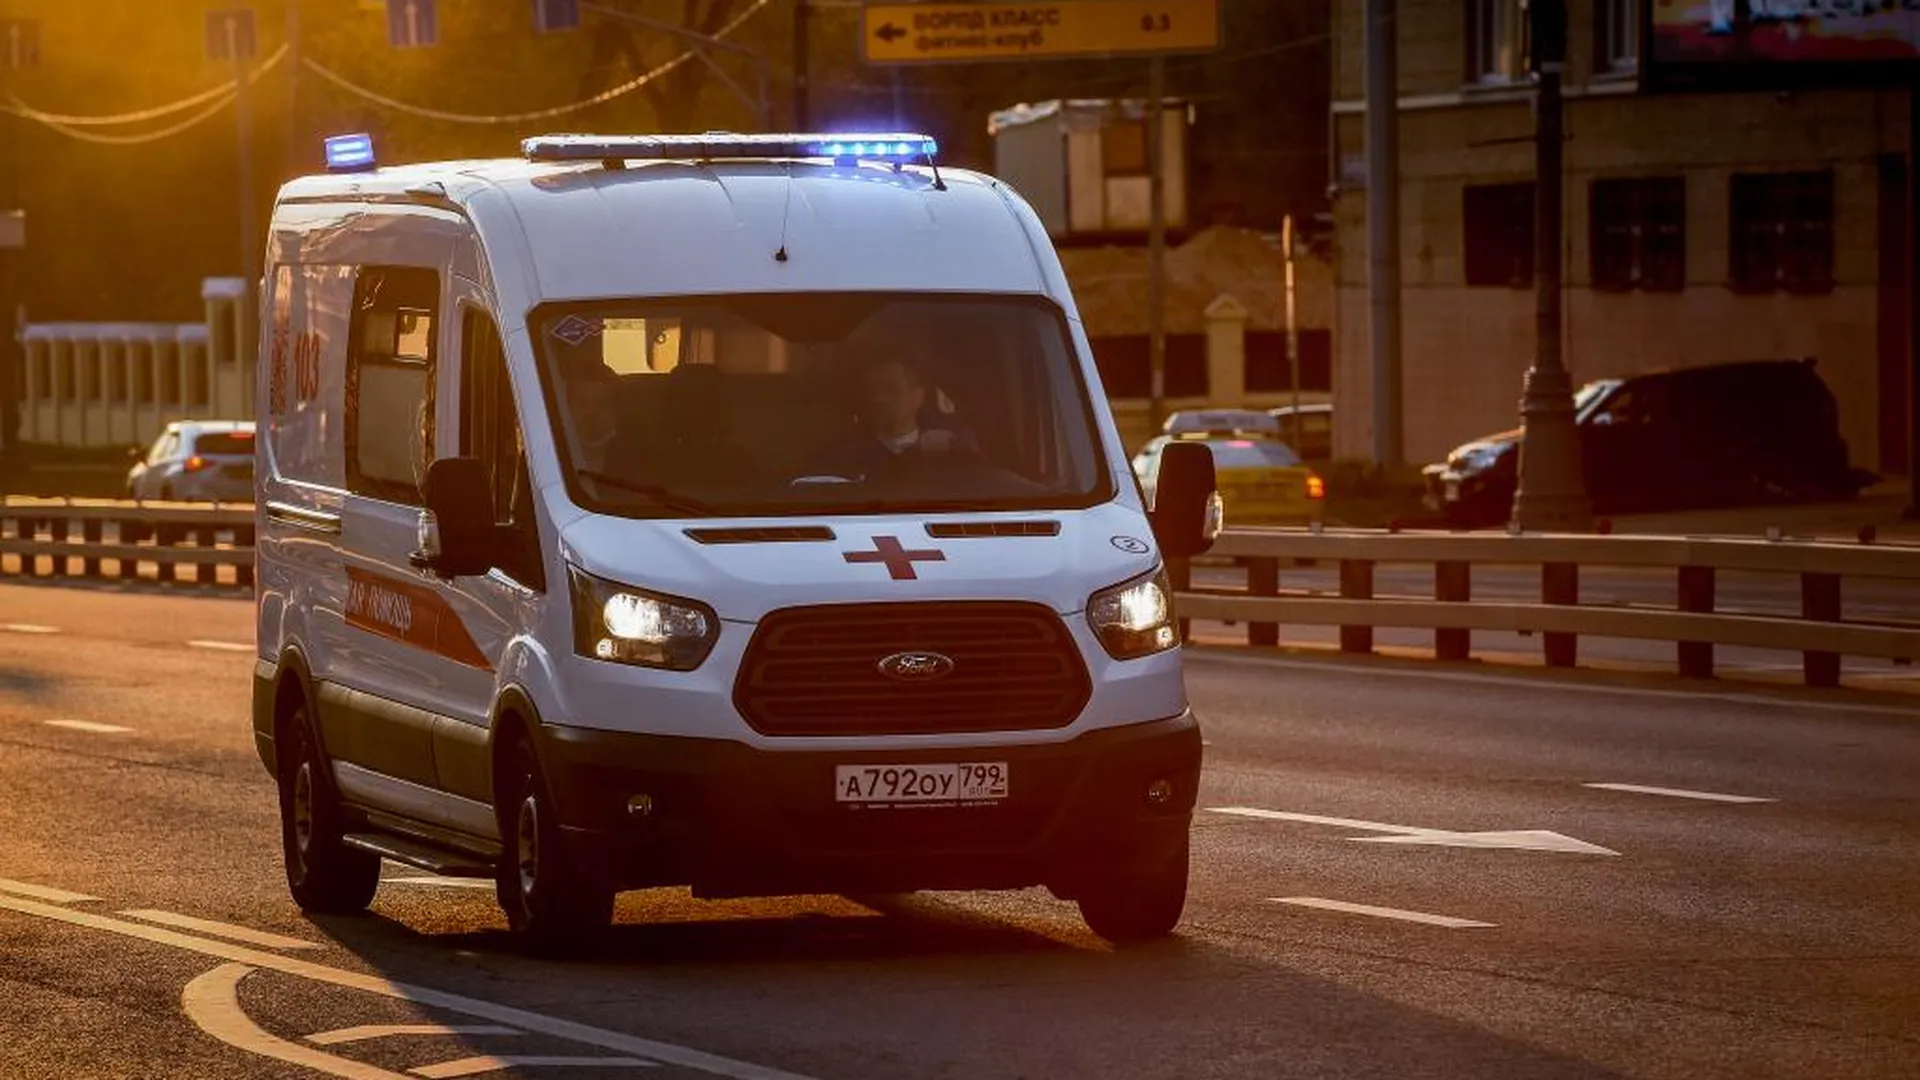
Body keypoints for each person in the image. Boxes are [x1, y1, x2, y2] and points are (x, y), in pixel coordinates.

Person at [812, 351, 978, 481]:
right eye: (871, 392)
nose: (878, 399)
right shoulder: (843, 454)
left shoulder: (954, 446)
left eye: (891, 390)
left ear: (917, 397)